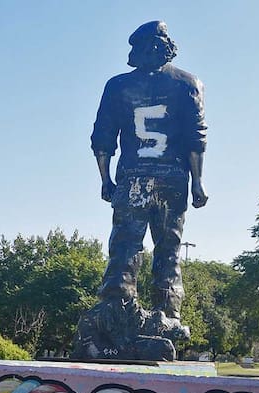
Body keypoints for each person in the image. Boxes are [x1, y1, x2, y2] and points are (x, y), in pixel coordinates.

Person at [88, 20, 207, 345]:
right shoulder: (188, 83)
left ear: (142, 49)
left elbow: (102, 138)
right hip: (173, 178)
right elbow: (197, 138)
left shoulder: (118, 86)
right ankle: (168, 314)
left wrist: (105, 179)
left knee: (126, 246)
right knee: (168, 251)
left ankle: (117, 306)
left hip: (133, 178)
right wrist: (198, 182)